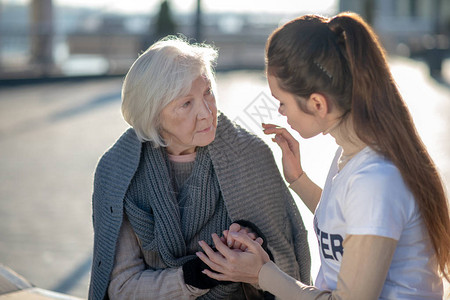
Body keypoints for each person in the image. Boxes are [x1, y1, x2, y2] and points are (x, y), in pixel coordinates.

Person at [196, 12, 450, 299]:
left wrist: (260, 273)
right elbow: (348, 223)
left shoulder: (376, 179)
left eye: (282, 101)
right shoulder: (352, 152)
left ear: (317, 103)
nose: (280, 111)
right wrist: (298, 178)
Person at [88, 36, 311, 300]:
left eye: (208, 93)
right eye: (186, 103)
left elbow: (288, 273)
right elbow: (121, 287)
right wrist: (197, 274)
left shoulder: (251, 155)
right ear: (152, 115)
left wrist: (254, 250)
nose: (206, 112)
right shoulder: (118, 172)